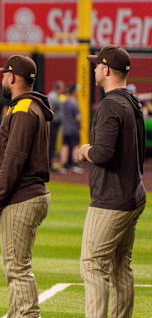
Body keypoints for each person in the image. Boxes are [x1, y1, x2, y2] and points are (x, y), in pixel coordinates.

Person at [0, 55, 52, 318]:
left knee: (18, 269)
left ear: (12, 77)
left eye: (4, 74)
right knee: (17, 268)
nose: (2, 79)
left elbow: (13, 161)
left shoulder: (22, 110)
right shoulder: (31, 107)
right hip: (29, 194)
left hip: (22, 195)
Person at [78, 45, 146, 318]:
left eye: (97, 65)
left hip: (112, 200)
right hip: (132, 195)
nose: (94, 68)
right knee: (120, 266)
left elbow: (103, 153)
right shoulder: (131, 101)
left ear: (106, 70)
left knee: (92, 265)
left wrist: (85, 151)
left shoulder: (109, 105)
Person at [61, 83, 82, 173]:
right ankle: (75, 164)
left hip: (65, 128)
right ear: (74, 91)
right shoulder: (74, 102)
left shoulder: (64, 102)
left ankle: (64, 165)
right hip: (73, 128)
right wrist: (80, 123)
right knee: (75, 146)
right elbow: (78, 117)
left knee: (65, 146)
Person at [47, 80, 65, 171]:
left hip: (54, 123)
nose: (63, 89)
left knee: (52, 145)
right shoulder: (53, 96)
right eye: (62, 87)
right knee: (50, 144)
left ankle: (50, 164)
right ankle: (48, 165)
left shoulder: (55, 96)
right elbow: (50, 110)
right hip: (52, 123)